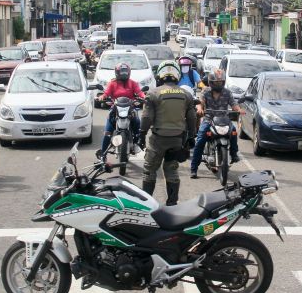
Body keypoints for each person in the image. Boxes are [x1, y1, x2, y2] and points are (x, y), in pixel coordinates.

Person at [140, 61, 197, 205]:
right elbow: (192, 118)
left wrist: (141, 134)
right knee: (171, 169)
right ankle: (172, 203)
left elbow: (146, 118)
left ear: (160, 75)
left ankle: (147, 204)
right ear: (177, 75)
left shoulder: (153, 93)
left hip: (158, 140)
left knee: (150, 170)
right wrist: (191, 137)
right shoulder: (186, 95)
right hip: (177, 139)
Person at [190, 69, 244, 179]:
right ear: (211, 82)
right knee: (200, 140)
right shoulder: (205, 92)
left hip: (224, 120)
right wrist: (200, 109)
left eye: (220, 82)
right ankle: (194, 169)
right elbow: (200, 103)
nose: (218, 84)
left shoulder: (227, 92)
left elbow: (234, 104)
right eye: (216, 82)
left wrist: (239, 109)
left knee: (233, 132)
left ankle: (234, 154)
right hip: (209, 120)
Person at [98, 62, 145, 157]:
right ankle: (103, 155)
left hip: (130, 107)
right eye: (122, 72)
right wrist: (102, 97)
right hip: (115, 107)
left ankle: (137, 143)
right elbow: (106, 93)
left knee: (137, 123)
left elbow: (140, 93)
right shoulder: (112, 83)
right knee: (108, 130)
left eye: (125, 72)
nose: (124, 74)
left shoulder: (133, 83)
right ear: (117, 72)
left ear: (129, 72)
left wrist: (144, 97)